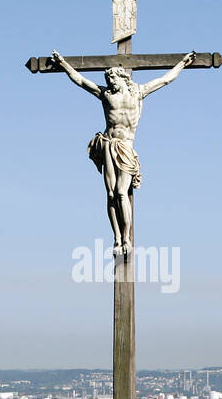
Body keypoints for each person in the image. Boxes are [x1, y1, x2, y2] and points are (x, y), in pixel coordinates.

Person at [51, 49, 196, 256]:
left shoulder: (138, 92)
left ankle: (127, 237)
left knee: (121, 192)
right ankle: (117, 238)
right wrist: (64, 64)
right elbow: (82, 81)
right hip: (109, 144)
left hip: (126, 147)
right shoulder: (106, 94)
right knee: (111, 194)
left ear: (122, 77)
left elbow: (165, 80)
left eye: (112, 78)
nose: (110, 82)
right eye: (107, 79)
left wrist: (181, 63)